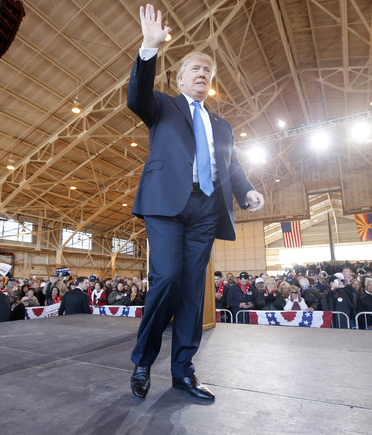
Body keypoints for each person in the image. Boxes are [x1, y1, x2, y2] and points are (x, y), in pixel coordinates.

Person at [128, 4, 264, 402]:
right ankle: (142, 361)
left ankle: (183, 371)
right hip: (167, 205)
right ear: (179, 78)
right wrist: (149, 47)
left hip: (206, 210)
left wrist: (247, 190)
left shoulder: (222, 125)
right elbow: (136, 95)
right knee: (166, 278)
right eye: (196, 70)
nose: (203, 74)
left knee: (191, 291)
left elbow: (231, 164)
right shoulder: (162, 107)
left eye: (208, 71)